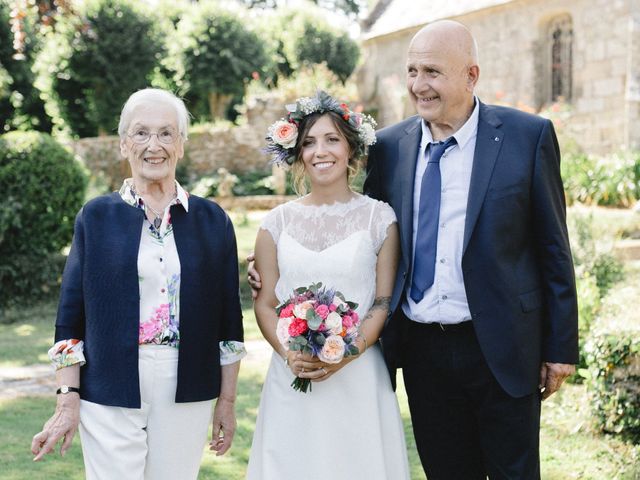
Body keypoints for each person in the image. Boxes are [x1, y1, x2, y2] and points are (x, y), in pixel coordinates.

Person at [363, 20, 579, 479]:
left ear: (471, 75)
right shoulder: (388, 148)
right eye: (412, 71)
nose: (419, 86)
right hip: (421, 352)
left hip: (503, 347)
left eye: (433, 72)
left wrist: (560, 347)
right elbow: (367, 239)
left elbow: (553, 248)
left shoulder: (528, 136)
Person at [31, 88, 245, 480]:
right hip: (108, 383)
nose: (154, 145)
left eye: (166, 133)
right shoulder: (95, 217)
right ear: (123, 144)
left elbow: (229, 324)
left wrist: (227, 402)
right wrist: (67, 400)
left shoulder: (213, 220)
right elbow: (70, 318)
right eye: (141, 133)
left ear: (181, 145)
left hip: (189, 384)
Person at [246, 91, 410, 479]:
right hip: (293, 374)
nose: (321, 151)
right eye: (309, 142)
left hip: (358, 373)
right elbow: (266, 303)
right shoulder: (275, 224)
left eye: (332, 139)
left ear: (351, 148)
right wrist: (291, 354)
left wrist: (346, 351)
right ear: (298, 153)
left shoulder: (379, 219)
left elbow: (383, 302)